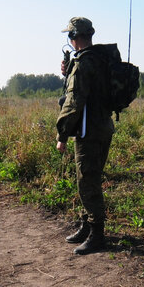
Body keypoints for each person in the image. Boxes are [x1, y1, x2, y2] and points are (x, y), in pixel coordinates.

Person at [56, 17, 115, 255]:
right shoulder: (102, 59)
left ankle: (97, 235)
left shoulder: (83, 64)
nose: (69, 40)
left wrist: (62, 134)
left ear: (74, 38)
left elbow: (74, 102)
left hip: (88, 131)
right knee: (90, 178)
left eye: (70, 36)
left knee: (87, 182)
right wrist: (68, 71)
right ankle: (86, 225)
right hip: (104, 127)